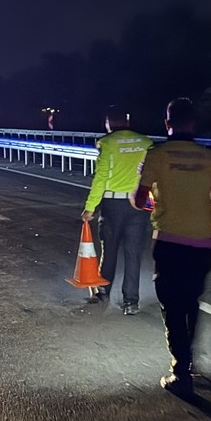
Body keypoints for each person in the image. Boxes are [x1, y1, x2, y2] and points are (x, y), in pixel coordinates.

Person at [131, 97, 211, 395]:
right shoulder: (208, 157)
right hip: (202, 242)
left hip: (170, 239)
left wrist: (150, 201)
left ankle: (180, 371)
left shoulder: (156, 155)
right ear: (193, 123)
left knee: (171, 305)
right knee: (190, 301)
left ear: (167, 124)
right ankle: (189, 361)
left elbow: (138, 199)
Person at [81, 105, 153, 314]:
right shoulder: (145, 142)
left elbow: (101, 178)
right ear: (128, 121)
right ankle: (131, 302)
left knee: (109, 251)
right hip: (139, 204)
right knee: (133, 254)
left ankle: (103, 292)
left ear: (108, 123)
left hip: (113, 205)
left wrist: (90, 207)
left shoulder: (107, 143)